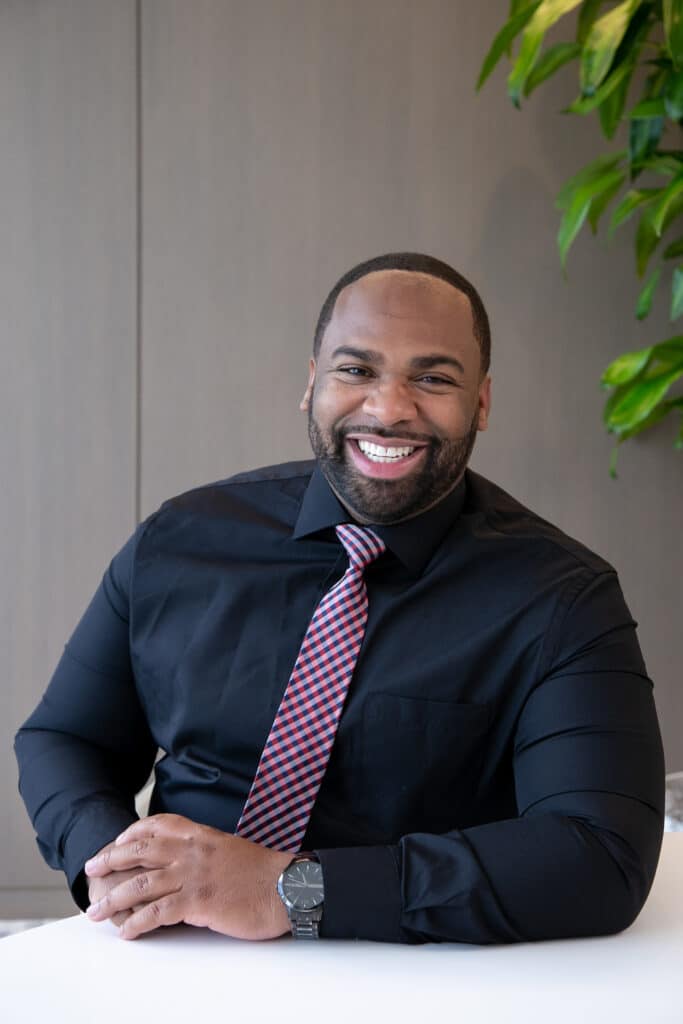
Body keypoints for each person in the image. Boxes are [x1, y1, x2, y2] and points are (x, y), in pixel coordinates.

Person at [15, 252, 665, 945]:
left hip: (413, 973)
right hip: (170, 948)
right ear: (311, 384)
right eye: (355, 370)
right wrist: (119, 864)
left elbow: (598, 856)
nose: (387, 409)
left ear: (480, 401)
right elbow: (66, 738)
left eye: (433, 377)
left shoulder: (562, 598)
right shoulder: (180, 541)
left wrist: (290, 893)